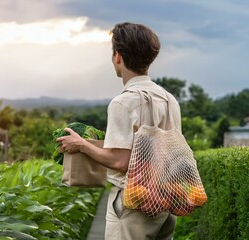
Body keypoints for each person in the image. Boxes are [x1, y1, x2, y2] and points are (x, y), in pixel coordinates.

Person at [56, 22, 182, 240]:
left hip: (134, 206)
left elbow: (121, 162)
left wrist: (81, 144)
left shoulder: (124, 103)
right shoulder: (169, 100)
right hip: (165, 202)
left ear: (118, 56)